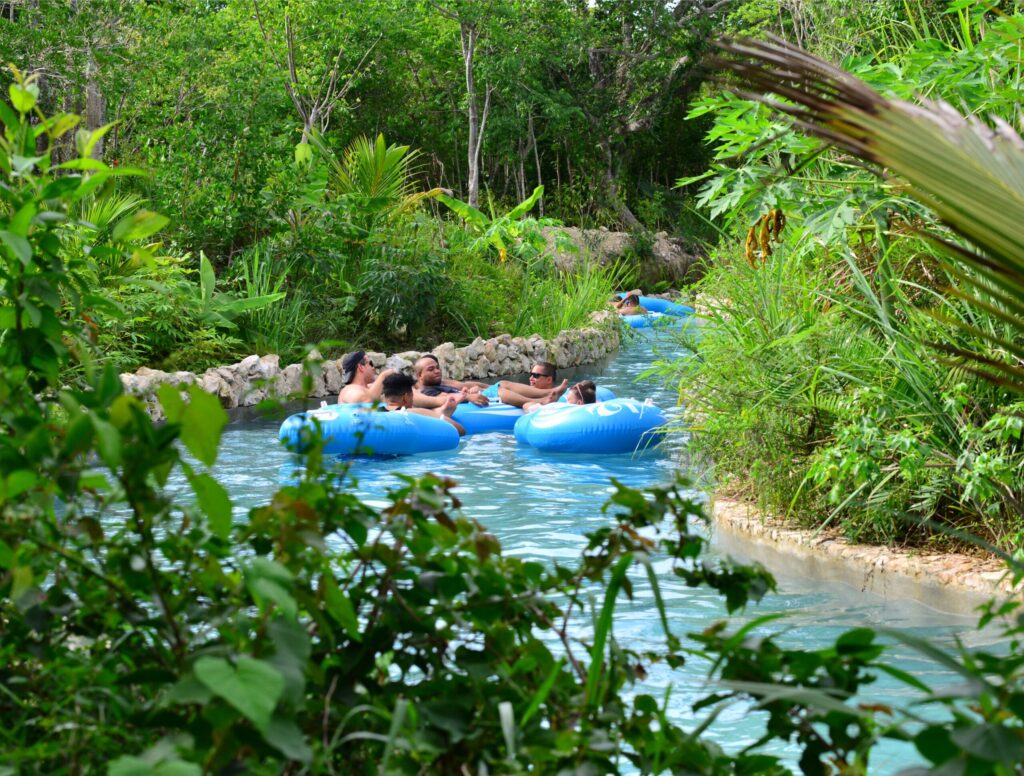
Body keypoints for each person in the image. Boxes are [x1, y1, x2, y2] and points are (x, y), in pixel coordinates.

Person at [379, 373, 465, 435]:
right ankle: (440, 412)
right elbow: (459, 429)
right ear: (406, 397)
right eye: (412, 396)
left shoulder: (375, 413)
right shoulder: (412, 412)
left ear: (385, 397)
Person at [414, 357, 490, 407]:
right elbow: (445, 397)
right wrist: (468, 396)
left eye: (437, 368)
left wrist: (474, 390)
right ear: (420, 375)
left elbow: (463, 387)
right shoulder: (427, 391)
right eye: (431, 369)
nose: (437, 371)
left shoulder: (441, 384)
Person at [490, 361, 568, 408]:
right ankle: (549, 394)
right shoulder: (521, 393)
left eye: (535, 375)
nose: (530, 378)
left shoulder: (564, 398)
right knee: (500, 385)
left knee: (501, 386)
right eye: (531, 374)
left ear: (549, 380)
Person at [524, 379, 597, 412]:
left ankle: (545, 398)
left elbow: (527, 406)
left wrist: (544, 404)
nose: (566, 402)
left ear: (579, 403)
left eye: (568, 400)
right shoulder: (596, 409)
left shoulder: (563, 408)